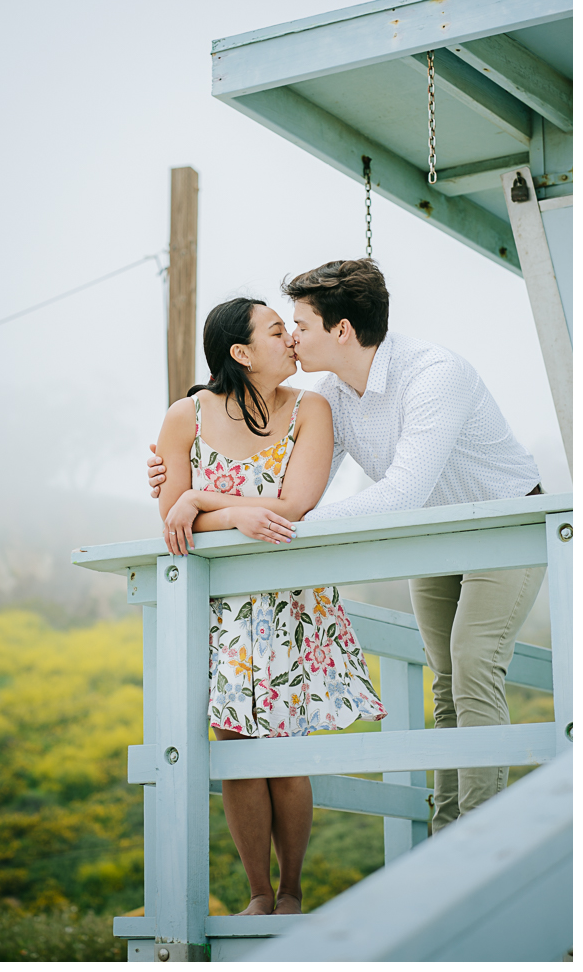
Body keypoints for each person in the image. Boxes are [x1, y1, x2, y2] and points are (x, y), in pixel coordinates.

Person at [149, 259, 546, 834]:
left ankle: (482, 835)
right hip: (435, 538)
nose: (292, 337)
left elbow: (401, 493)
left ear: (340, 331)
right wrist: (183, 486)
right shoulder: (332, 393)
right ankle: (446, 831)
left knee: (474, 664)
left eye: (300, 326)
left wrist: (254, 517)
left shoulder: (435, 375)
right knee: (444, 680)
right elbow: (295, 491)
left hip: (506, 526)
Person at [154, 295, 387, 916]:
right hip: (221, 608)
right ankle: (258, 891)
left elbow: (295, 504)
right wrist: (226, 514)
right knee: (233, 745)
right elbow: (174, 524)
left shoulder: (311, 407)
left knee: (284, 744)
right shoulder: (185, 418)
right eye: (277, 331)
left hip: (290, 602)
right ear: (241, 352)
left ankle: (292, 891)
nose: (291, 340)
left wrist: (206, 499)